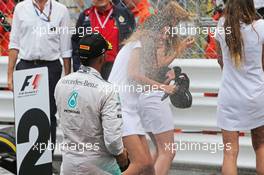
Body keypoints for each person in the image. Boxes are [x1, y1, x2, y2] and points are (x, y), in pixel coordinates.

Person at [108, 2, 193, 175]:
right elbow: (133, 74)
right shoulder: (138, 45)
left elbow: (146, 73)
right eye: (160, 33)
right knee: (144, 162)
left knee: (146, 164)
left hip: (128, 108)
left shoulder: (143, 48)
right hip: (120, 107)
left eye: (165, 33)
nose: (163, 38)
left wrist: (167, 75)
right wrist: (163, 86)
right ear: (149, 31)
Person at [55, 33, 128, 175]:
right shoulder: (107, 89)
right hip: (99, 165)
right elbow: (112, 140)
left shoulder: (62, 83)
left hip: (69, 164)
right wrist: (121, 154)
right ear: (103, 57)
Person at [8, 0, 72, 161]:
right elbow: (14, 43)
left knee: (49, 115)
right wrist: (9, 76)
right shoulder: (21, 8)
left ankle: (46, 160)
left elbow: (66, 48)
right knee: (25, 115)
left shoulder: (61, 10)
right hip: (26, 67)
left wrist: (67, 78)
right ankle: (26, 161)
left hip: (50, 69)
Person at [215, 0, 264, 174]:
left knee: (229, 152)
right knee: (261, 146)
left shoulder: (222, 26)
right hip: (257, 95)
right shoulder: (261, 27)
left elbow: (220, 60)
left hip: (229, 96)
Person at [71, 0, 135, 79]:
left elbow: (133, 42)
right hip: (91, 69)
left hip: (117, 68)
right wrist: (78, 70)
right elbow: (76, 46)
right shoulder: (84, 16)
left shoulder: (125, 14)